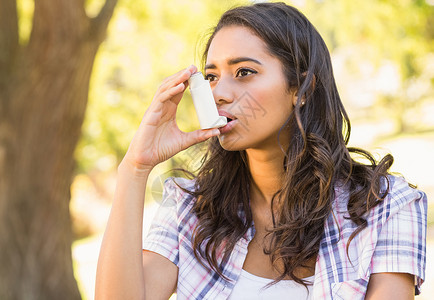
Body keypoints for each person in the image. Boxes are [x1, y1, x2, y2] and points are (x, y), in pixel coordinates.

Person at [95, 2, 427, 299]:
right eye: (211, 77)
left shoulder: (386, 207)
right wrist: (135, 168)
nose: (219, 93)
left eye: (244, 72)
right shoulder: (190, 208)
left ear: (300, 89)